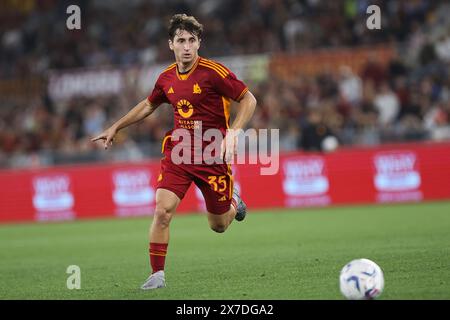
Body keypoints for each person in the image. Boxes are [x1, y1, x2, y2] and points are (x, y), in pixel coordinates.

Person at [92, 14, 257, 290]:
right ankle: (157, 275)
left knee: (218, 226)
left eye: (192, 40)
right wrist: (116, 127)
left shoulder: (214, 73)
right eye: (181, 41)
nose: (187, 46)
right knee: (162, 211)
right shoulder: (166, 78)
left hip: (212, 157)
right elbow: (148, 105)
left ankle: (233, 204)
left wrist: (234, 131)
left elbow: (248, 99)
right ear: (171, 44)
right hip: (178, 154)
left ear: (199, 43)